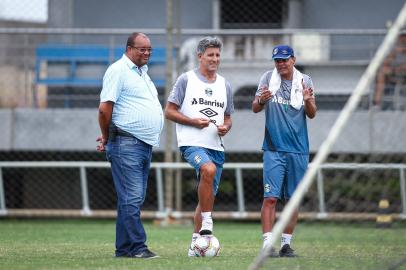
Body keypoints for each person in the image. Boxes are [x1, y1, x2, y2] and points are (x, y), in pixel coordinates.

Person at [164, 36, 234, 257]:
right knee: (208, 170)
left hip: (216, 146)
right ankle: (208, 221)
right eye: (210, 55)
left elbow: (228, 118)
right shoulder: (186, 80)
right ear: (200, 56)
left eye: (217, 55)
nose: (214, 59)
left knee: (205, 199)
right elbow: (169, 111)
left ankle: (195, 246)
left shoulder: (225, 85)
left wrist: (225, 127)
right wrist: (193, 122)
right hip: (191, 144)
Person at [96, 32, 164, 258]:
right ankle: (137, 247)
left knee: (131, 199)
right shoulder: (118, 70)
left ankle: (124, 248)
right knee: (132, 198)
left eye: (149, 50)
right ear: (129, 48)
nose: (146, 53)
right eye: (142, 49)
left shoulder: (142, 73)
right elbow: (105, 109)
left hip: (143, 144)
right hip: (126, 143)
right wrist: (106, 137)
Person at [252, 45, 317, 257]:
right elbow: (255, 107)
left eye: (284, 60)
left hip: (298, 149)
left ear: (293, 60)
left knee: (293, 200)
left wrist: (308, 101)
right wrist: (261, 100)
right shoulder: (266, 78)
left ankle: (286, 245)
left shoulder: (305, 80)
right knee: (270, 198)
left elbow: (312, 113)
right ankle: (267, 245)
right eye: (277, 60)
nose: (281, 64)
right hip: (273, 148)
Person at [374, 34, 406, 109]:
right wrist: (394, 53)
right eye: (402, 38)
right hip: (395, 73)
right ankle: (376, 103)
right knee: (381, 73)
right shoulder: (395, 50)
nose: (403, 40)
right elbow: (384, 64)